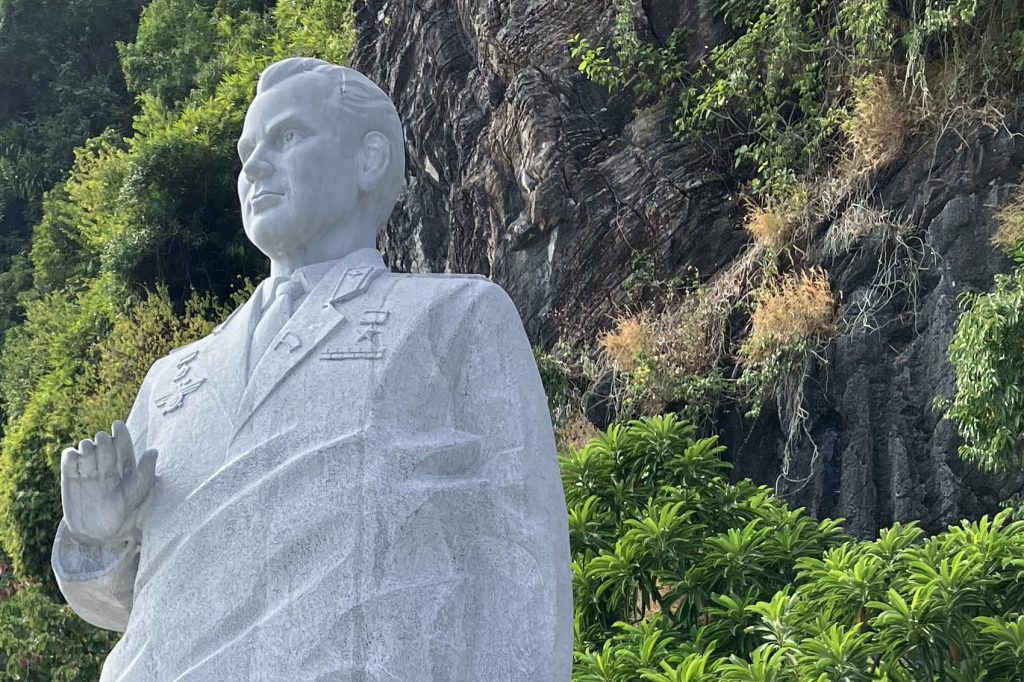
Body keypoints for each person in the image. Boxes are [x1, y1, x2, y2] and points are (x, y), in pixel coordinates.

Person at [52, 57, 572, 681]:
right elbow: (121, 605)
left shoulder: (454, 316)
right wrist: (97, 540)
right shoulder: (173, 379)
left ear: (369, 159)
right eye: (247, 152)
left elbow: (522, 551)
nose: (255, 167)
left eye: (288, 137)